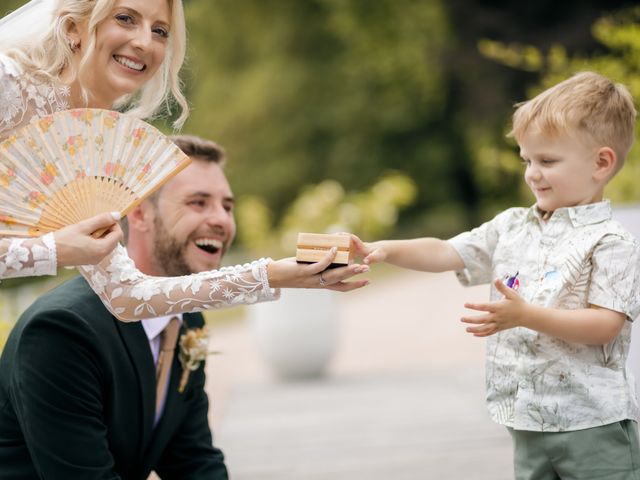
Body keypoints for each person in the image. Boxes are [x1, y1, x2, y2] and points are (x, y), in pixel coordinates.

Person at [0, 133, 358, 479]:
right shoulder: (62, 331)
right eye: (198, 202)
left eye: (227, 206)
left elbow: (192, 459)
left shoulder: (186, 321)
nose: (220, 219)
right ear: (139, 214)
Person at [351, 72, 640, 479]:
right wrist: (384, 250)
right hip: (525, 418)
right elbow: (447, 250)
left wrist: (527, 315)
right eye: (527, 160)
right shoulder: (512, 226)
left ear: (601, 163)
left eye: (548, 161)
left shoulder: (611, 242)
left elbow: (604, 325)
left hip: (593, 425)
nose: (532, 174)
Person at [0, 0, 367, 319]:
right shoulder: (6, 85)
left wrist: (277, 274)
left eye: (160, 30)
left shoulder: (95, 152)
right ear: (72, 28)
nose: (145, 42)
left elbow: (128, 296)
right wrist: (53, 250)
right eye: (126, 18)